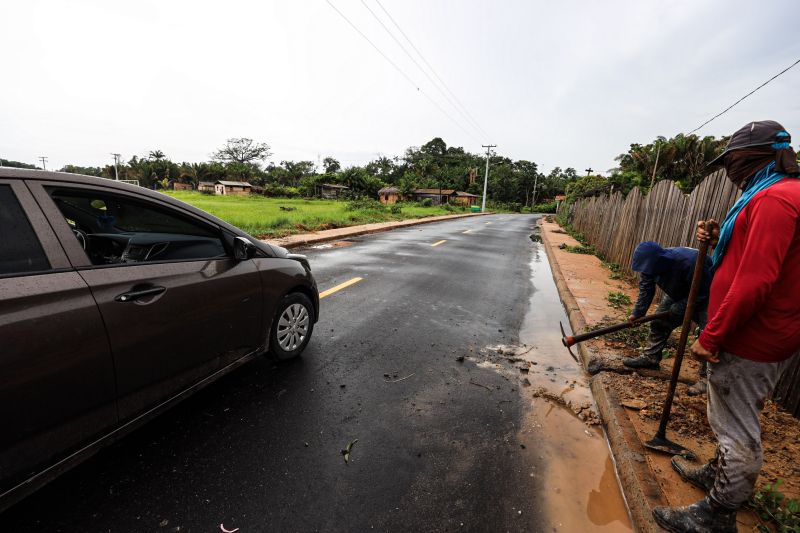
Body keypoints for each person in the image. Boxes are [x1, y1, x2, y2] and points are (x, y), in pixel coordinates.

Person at [653, 120, 800, 533]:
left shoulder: (775, 200)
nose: (729, 171)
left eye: (732, 161)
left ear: (755, 156)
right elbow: (761, 256)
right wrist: (721, 236)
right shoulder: (778, 196)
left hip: (751, 335)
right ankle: (716, 473)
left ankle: (717, 514)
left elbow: (757, 280)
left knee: (736, 427)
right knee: (735, 414)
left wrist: (712, 335)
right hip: (771, 331)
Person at [622, 241, 712, 395]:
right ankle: (651, 357)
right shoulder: (649, 265)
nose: (647, 272)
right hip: (678, 292)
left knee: (707, 336)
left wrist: (682, 306)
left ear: (660, 262)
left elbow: (704, 292)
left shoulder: (689, 262)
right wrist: (638, 313)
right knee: (659, 322)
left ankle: (707, 380)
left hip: (707, 295)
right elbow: (646, 289)